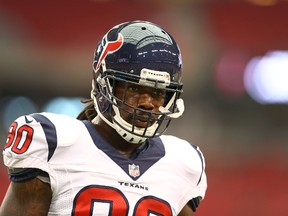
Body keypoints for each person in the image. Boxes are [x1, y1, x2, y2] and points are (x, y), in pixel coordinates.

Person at [1, 20, 207, 216]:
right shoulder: (54, 143)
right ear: (103, 86)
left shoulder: (183, 163)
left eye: (158, 92)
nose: (147, 102)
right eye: (134, 88)